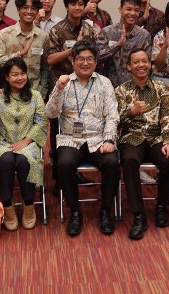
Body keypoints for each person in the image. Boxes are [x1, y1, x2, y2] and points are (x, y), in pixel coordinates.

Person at [47, 41, 120, 237]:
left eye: (89, 59)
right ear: (73, 61)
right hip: (71, 139)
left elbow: (112, 115)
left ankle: (106, 211)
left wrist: (109, 140)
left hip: (98, 139)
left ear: (96, 62)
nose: (85, 63)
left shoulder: (105, 83)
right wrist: (58, 89)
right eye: (81, 59)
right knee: (64, 164)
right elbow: (51, 114)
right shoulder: (64, 83)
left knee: (112, 163)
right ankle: (75, 212)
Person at [0, 57, 47, 231]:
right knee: (6, 161)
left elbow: (41, 122)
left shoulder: (35, 96)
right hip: (2, 142)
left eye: (23, 73)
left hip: (28, 141)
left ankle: (28, 205)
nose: (20, 78)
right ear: (7, 77)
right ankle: (8, 207)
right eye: (15, 74)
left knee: (24, 161)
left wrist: (26, 140)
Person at [114, 49, 169, 240]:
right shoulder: (121, 90)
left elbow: (167, 117)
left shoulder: (161, 87)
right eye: (136, 62)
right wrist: (131, 112)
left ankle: (161, 207)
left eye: (144, 61)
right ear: (129, 66)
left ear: (150, 64)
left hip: (156, 138)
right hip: (132, 138)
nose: (141, 65)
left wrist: (168, 142)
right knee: (129, 161)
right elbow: (116, 124)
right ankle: (138, 215)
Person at [45, 0, 102, 181]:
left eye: (80, 4)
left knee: (82, 128)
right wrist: (73, 50)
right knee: (58, 131)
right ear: (67, 6)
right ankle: (59, 178)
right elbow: (50, 59)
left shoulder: (88, 29)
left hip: (85, 87)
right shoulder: (57, 29)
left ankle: (76, 169)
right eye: (73, 4)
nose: (77, 8)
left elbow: (93, 57)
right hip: (62, 86)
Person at [0, 0, 49, 98]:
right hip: (8, 94)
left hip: (34, 93)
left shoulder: (43, 36)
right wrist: (18, 54)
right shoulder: (5, 34)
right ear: (18, 9)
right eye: (25, 7)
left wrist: (43, 90)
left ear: (37, 11)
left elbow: (45, 67)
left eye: (33, 8)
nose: (29, 11)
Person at [97, 0, 152, 86]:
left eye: (136, 10)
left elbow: (147, 64)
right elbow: (97, 58)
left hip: (135, 86)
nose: (132, 13)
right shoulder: (107, 32)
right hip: (108, 85)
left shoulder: (144, 35)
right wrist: (117, 45)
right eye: (129, 9)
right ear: (120, 10)